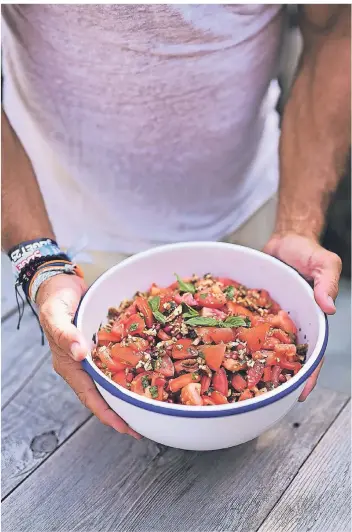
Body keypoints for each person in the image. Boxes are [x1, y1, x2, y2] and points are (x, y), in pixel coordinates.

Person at [2, 5, 350, 439]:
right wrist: (39, 263)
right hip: (59, 229)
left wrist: (298, 224)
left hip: (258, 222)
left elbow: (338, 28)